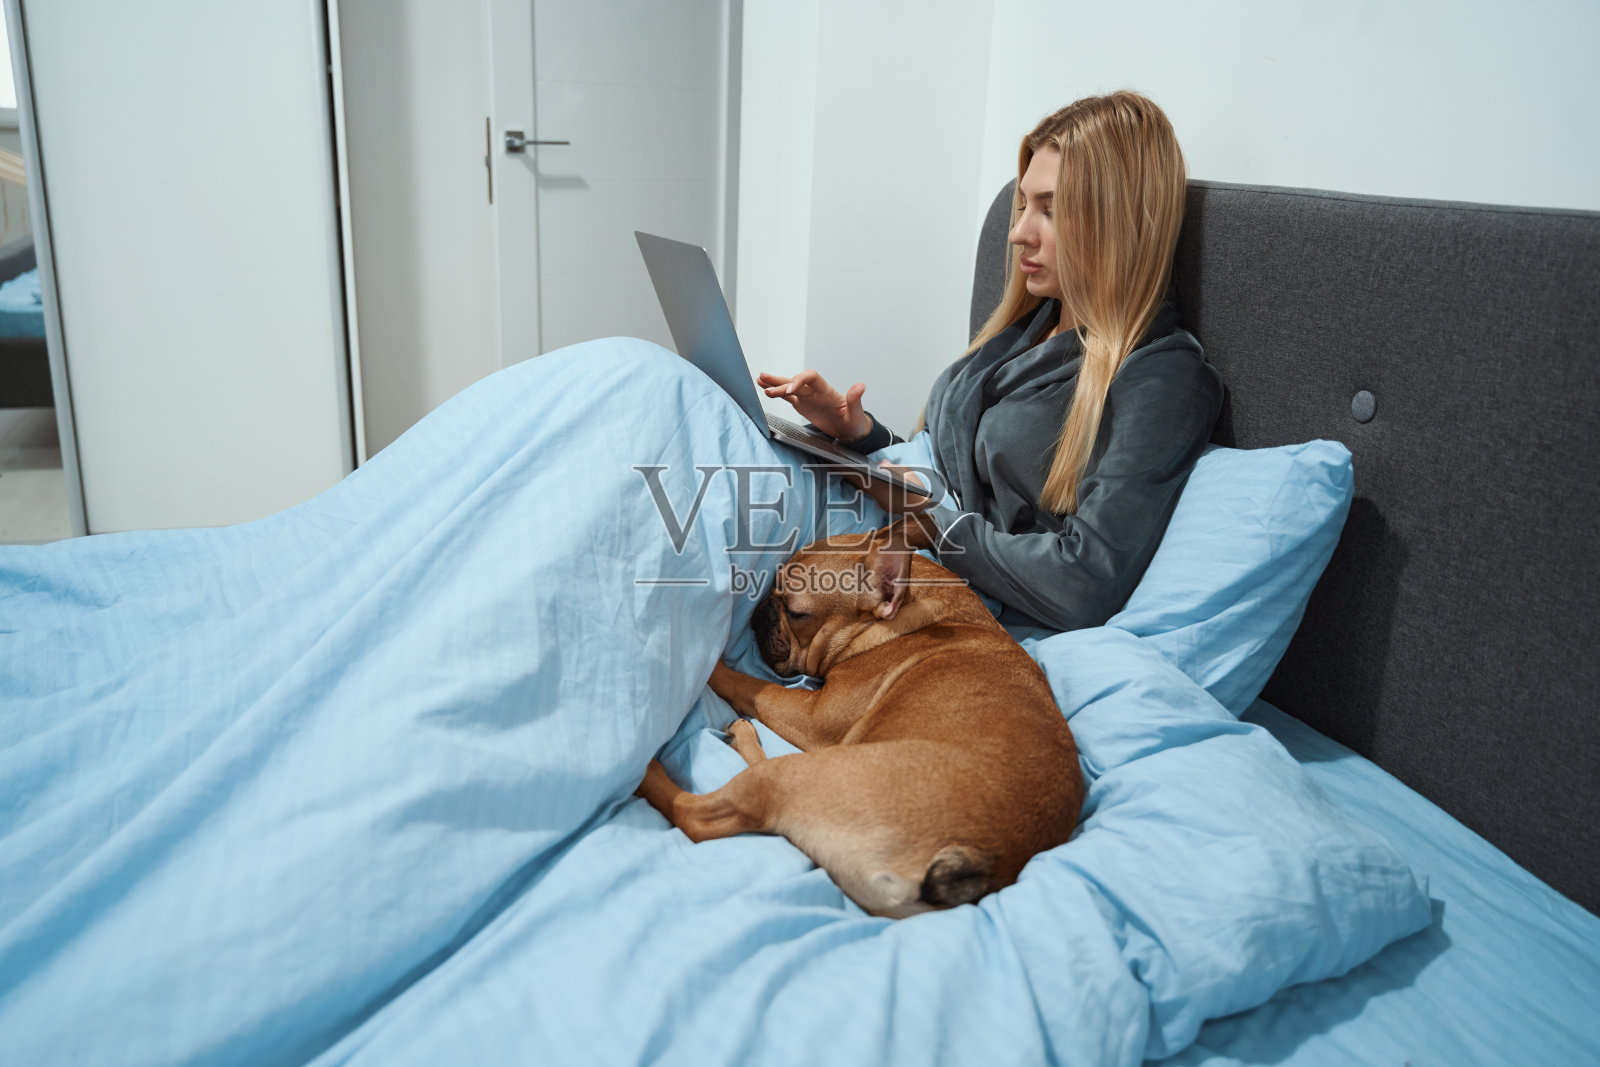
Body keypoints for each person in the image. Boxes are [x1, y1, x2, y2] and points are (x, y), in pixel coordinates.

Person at [757, 91, 1224, 633]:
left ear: (1119, 222)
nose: (1018, 232)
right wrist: (859, 435)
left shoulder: (1161, 378)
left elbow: (1083, 584)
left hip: (920, 579)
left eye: (1051, 210)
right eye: (1024, 205)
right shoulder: (1026, 327)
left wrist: (928, 517)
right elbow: (959, 473)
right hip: (883, 533)